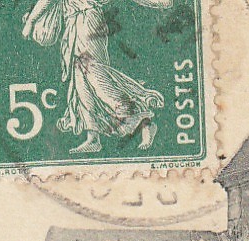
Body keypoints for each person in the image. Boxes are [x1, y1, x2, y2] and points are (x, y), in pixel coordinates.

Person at [22, 0, 169, 154]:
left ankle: (144, 122)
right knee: (81, 83)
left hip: (87, 22)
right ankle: (93, 138)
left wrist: (31, 21)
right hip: (76, 22)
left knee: (97, 79)